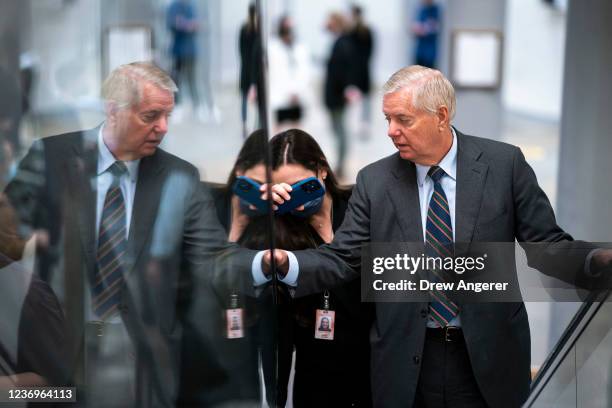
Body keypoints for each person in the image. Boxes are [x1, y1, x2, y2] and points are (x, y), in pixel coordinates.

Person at [263, 66, 612, 408]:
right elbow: (342, 256)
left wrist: (594, 260)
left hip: (488, 359)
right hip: (407, 364)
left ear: (441, 116)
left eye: (403, 120)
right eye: (387, 120)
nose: (391, 131)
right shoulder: (375, 181)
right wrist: (285, 262)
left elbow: (545, 245)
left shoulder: (504, 166)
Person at [0, 61, 253, 407]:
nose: (163, 128)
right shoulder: (51, 157)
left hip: (144, 358)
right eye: (151, 116)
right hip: (60, 350)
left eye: (168, 116)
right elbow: (5, 242)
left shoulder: (179, 176)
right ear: (113, 110)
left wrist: (264, 264)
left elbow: (212, 258)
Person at [259, 129, 371, 407]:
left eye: (299, 185)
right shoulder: (278, 232)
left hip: (373, 368)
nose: (294, 198)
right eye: (284, 190)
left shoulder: (360, 206)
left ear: (321, 169)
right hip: (317, 379)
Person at [323, 12, 356, 179]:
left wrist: (346, 91)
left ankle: (341, 165)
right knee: (338, 130)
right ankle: (340, 163)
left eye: (329, 21)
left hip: (337, 98)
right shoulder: (339, 42)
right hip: (335, 96)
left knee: (341, 131)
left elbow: (344, 72)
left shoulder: (342, 43)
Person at [268, 15, 311, 131]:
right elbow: (275, 74)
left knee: (296, 128)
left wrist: (296, 91)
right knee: (279, 127)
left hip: (297, 96)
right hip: (280, 95)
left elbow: (304, 72)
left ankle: (295, 149)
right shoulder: (273, 49)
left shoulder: (299, 49)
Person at [348, 4, 374, 138]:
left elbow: (369, 51)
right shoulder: (352, 31)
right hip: (358, 71)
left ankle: (364, 126)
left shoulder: (364, 31)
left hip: (361, 72)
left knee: (364, 101)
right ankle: (360, 126)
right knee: (358, 101)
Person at [239, 4, 260, 138]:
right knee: (257, 99)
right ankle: (256, 126)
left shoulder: (244, 28)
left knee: (244, 99)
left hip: (245, 68)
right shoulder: (259, 30)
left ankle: (245, 125)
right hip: (256, 69)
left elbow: (240, 49)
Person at [412, 0, 441, 68]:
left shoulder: (436, 10)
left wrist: (423, 29)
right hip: (420, 51)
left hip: (430, 53)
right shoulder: (422, 10)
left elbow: (434, 27)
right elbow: (415, 28)